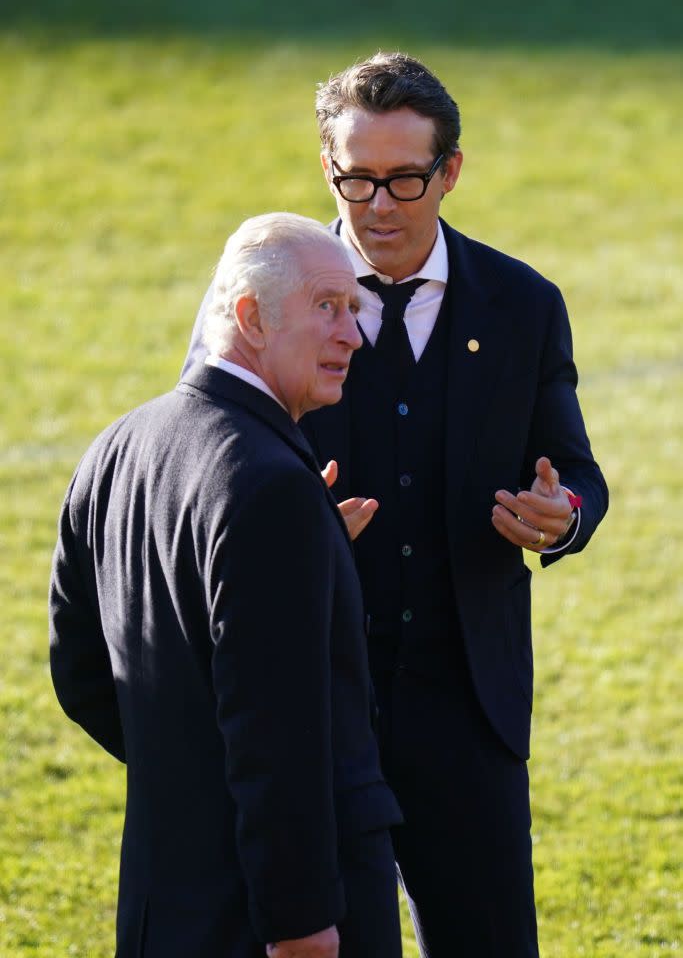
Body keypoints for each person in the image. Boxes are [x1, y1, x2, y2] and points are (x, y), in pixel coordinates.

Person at [183, 55, 609, 958]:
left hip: (468, 706)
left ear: (450, 171)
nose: (377, 205)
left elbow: (573, 467)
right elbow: (208, 453)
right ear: (326, 165)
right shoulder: (264, 296)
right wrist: (289, 540)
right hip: (318, 699)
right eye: (355, 178)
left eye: (405, 180)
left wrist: (561, 512)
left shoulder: (525, 304)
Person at [49, 212, 404, 958]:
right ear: (248, 316)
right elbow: (279, 734)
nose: (353, 335)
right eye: (326, 308)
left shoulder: (116, 447)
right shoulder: (272, 487)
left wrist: (187, 773)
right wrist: (300, 924)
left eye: (353, 309)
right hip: (270, 920)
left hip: (165, 895)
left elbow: (82, 677)